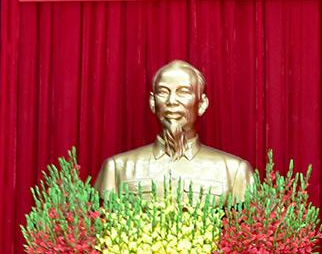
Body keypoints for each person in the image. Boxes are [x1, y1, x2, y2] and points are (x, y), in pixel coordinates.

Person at [96, 59, 255, 200]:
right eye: (163, 92)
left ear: (201, 104)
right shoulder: (117, 168)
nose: (172, 101)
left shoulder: (234, 171)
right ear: (153, 102)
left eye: (183, 92)